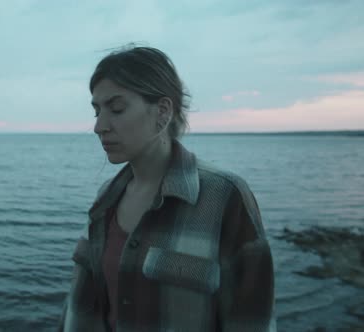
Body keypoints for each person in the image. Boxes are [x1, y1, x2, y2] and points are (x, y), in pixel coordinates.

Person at [58, 46, 276, 331]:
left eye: (117, 108)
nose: (99, 126)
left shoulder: (224, 197)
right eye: (97, 110)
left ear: (162, 111)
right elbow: (79, 309)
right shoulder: (106, 199)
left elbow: (252, 320)